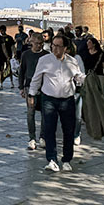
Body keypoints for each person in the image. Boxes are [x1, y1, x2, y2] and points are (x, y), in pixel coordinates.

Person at [28, 35, 85, 172]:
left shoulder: (72, 61)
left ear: (65, 48)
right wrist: (31, 94)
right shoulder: (44, 60)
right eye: (53, 45)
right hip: (49, 99)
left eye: (58, 46)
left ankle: (67, 160)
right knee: (49, 129)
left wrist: (87, 79)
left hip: (67, 100)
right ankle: (52, 159)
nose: (55, 48)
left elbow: (78, 76)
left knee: (68, 130)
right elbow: (36, 78)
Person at [18, 32, 49, 150]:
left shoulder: (47, 55)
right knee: (30, 112)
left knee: (45, 113)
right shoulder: (26, 54)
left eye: (41, 43)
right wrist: (21, 87)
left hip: (44, 87)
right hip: (29, 86)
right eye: (36, 43)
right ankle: (32, 138)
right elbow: (22, 71)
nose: (39, 45)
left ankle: (43, 137)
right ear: (31, 43)